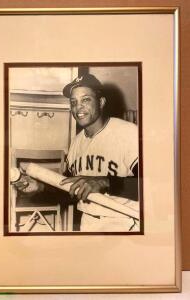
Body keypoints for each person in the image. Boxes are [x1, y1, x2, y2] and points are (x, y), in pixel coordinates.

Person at [14, 74, 139, 232]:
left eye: (85, 100)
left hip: (125, 221)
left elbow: (150, 186)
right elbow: (68, 193)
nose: (78, 107)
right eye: (74, 102)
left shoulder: (128, 133)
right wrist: (39, 188)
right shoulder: (76, 143)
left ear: (101, 102)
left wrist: (105, 182)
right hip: (87, 222)